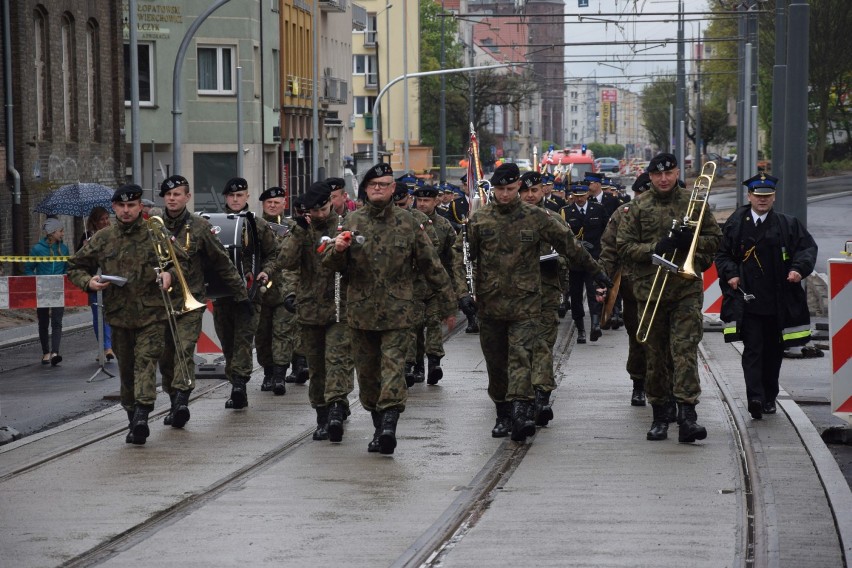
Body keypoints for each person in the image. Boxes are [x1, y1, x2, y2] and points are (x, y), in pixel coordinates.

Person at [457, 163, 610, 443]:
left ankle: (519, 413)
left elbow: (569, 244)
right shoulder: (479, 220)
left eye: (510, 189)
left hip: (526, 303)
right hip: (491, 305)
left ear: (517, 188)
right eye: (500, 190)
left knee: (521, 357)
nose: (505, 195)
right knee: (496, 362)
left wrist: (595, 270)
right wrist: (462, 294)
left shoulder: (536, 217)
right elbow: (463, 258)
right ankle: (502, 412)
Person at [324, 162, 456, 455]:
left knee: (394, 369)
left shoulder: (409, 223)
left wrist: (449, 303)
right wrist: (339, 251)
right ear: (366, 190)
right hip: (361, 314)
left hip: (399, 312)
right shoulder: (352, 222)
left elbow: (431, 265)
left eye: (384, 184)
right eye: (374, 185)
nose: (379, 189)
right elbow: (331, 265)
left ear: (393, 189)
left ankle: (389, 426)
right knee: (368, 377)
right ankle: (377, 424)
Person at [68, 184, 189, 445]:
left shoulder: (156, 234)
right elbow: (76, 266)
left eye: (131, 205)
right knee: (128, 371)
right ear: (114, 208)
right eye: (121, 206)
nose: (126, 210)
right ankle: (133, 417)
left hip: (152, 315)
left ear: (139, 207)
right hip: (119, 316)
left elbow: (180, 264)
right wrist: (89, 282)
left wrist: (169, 274)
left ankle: (143, 415)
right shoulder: (103, 238)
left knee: (145, 363)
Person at [617, 153, 722, 443]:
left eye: (669, 173)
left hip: (685, 291)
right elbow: (624, 247)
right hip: (650, 292)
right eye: (657, 175)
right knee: (655, 356)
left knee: (684, 351)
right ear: (650, 177)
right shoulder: (638, 206)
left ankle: (688, 415)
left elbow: (715, 241)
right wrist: (658, 246)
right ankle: (660, 414)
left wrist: (693, 243)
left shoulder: (694, 202)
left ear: (677, 172)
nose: (664, 179)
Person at [715, 173, 817, 419]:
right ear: (749, 196)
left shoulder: (788, 224)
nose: (762, 200)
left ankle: (770, 397)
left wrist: (797, 269)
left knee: (773, 352)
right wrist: (731, 274)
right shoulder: (735, 223)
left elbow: (806, 249)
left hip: (777, 303)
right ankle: (755, 398)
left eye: (767, 196)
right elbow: (722, 254)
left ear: (774, 197)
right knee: (752, 350)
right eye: (758, 196)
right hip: (747, 302)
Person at [158, 175, 248, 428]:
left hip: (191, 301)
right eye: (168, 195)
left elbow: (222, 261)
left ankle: (181, 403)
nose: (172, 199)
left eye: (177, 194)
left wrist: (241, 295)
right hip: (160, 304)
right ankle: (174, 396)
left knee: (185, 350)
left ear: (187, 197)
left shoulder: (199, 226)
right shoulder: (152, 228)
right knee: (166, 357)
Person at [279, 181, 355, 442]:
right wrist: (299, 232)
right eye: (315, 211)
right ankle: (322, 415)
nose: (321, 214)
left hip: (340, 307)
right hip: (310, 308)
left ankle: (335, 409)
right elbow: (286, 262)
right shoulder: (301, 230)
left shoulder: (345, 226)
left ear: (330, 204)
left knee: (337, 360)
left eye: (324, 208)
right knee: (317, 366)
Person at [212, 177, 281, 410]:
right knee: (227, 341)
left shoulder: (259, 225)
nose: (235, 199)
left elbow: (274, 254)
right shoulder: (213, 224)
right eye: (231, 196)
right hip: (223, 294)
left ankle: (239, 385)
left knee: (243, 339)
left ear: (247, 197)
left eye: (239, 195)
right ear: (225, 198)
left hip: (251, 294)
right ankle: (235, 380)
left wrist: (265, 272)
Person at [598, 172, 655, 406]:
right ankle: (639, 384)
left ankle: (665, 387)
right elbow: (609, 249)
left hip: (667, 287)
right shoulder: (623, 214)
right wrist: (603, 281)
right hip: (634, 288)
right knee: (638, 338)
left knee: (665, 340)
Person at [517, 171, 569, 425]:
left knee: (543, 346)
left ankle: (541, 396)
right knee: (518, 349)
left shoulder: (553, 220)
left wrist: (557, 262)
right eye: (525, 191)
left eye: (534, 190)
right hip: (513, 296)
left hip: (545, 292)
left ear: (542, 192)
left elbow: (570, 251)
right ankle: (521, 400)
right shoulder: (507, 220)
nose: (529, 195)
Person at [413, 183, 463, 385]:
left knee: (434, 323)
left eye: (427, 200)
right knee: (414, 328)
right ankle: (417, 365)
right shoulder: (409, 222)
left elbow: (453, 258)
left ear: (436, 201)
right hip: (413, 286)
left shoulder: (444, 226)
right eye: (420, 200)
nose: (423, 204)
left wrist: (453, 289)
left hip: (435, 286)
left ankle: (434, 362)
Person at [256, 186, 300, 395]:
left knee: (283, 334)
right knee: (263, 335)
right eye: (268, 203)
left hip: (285, 289)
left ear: (284, 204)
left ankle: (280, 375)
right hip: (261, 291)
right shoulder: (254, 226)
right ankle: (268, 373)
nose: (273, 206)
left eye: (277, 202)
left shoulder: (293, 228)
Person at [564, 180, 609, 344]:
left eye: (582, 195)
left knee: (594, 293)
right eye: (576, 196)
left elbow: (607, 232)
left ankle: (595, 325)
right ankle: (581, 329)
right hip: (575, 262)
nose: (579, 199)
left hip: (594, 259)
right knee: (575, 297)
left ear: (588, 194)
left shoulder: (598, 209)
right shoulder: (566, 212)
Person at [24, 217, 69, 366]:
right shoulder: (37, 249)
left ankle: (55, 352)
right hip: (42, 289)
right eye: (60, 231)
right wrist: (37, 281)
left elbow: (68, 269)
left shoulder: (64, 249)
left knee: (57, 321)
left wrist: (66, 277)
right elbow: (28, 270)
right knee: (43, 322)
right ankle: (46, 352)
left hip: (58, 289)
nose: (62, 234)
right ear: (52, 232)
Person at [79, 207, 114, 362]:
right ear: (94, 222)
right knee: (97, 316)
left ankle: (109, 346)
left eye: (107, 218)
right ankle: (105, 347)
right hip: (95, 280)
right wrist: (85, 247)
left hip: (111, 280)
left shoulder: (113, 234)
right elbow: (79, 260)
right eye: (102, 219)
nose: (105, 221)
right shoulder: (86, 236)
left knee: (110, 315)